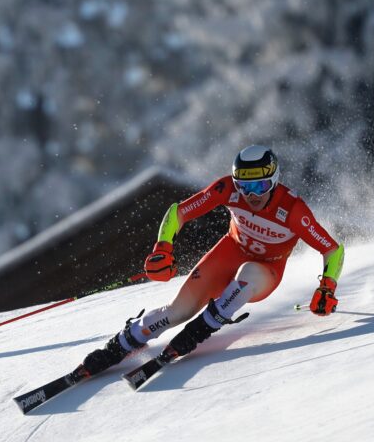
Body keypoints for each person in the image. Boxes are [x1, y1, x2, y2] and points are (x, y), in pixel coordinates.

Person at [79, 144, 345, 375]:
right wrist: (163, 247)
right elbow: (178, 212)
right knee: (177, 312)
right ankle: (124, 342)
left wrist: (327, 287)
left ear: (274, 181)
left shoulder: (292, 210)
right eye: (245, 187)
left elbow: (333, 250)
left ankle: (205, 326)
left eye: (260, 186)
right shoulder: (226, 189)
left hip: (266, 269)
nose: (252, 196)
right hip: (229, 252)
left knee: (249, 272)